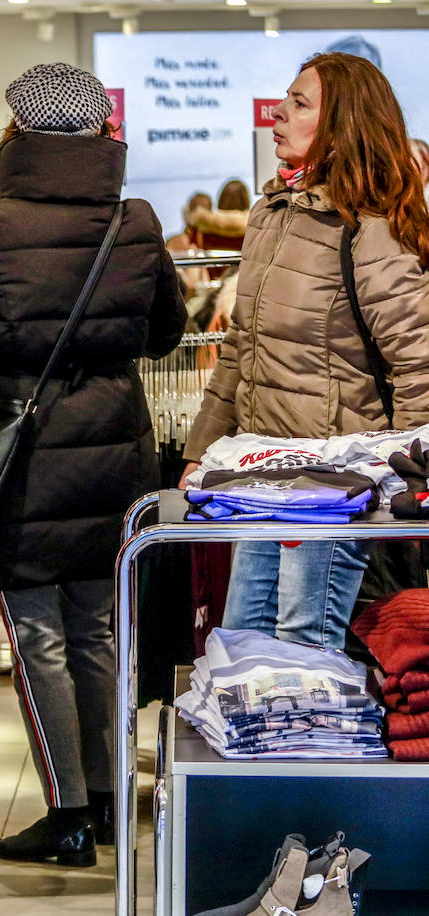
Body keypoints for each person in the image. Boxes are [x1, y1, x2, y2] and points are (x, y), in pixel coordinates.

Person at [0, 61, 186, 867]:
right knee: (101, 630)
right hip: (114, 449)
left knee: (38, 637)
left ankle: (67, 814)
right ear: (104, 135)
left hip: (24, 458)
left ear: (17, 137)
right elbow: (166, 333)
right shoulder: (134, 221)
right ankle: (110, 801)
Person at [183, 52, 429, 650]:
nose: (278, 115)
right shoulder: (270, 214)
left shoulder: (371, 225)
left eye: (299, 105)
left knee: (303, 661)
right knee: (237, 645)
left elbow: (418, 357)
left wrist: (412, 486)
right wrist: (201, 455)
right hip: (263, 480)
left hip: (336, 490)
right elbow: (241, 350)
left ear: (342, 127)